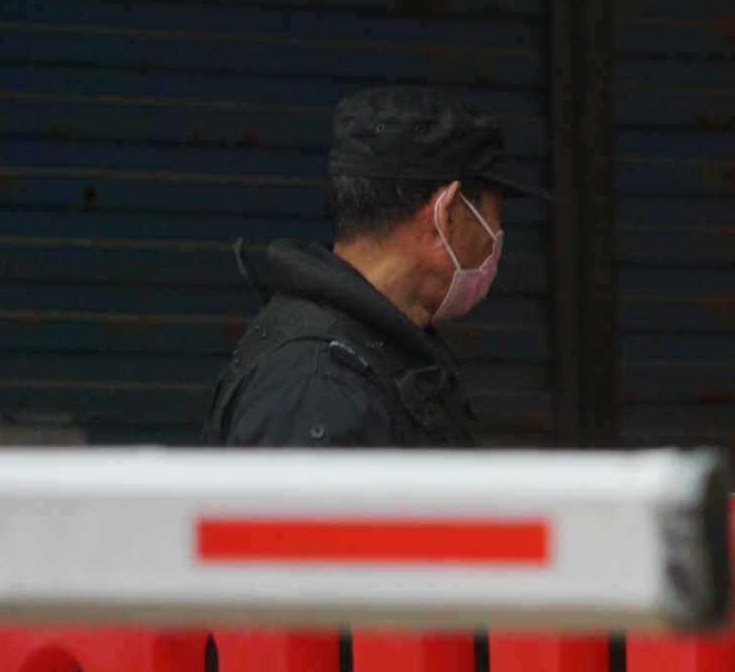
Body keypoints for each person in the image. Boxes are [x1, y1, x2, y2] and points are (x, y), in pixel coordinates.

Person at [205, 85, 545, 448]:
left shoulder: (372, 358)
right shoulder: (319, 389)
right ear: (446, 215)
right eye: (494, 214)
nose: (496, 235)